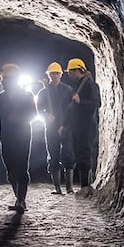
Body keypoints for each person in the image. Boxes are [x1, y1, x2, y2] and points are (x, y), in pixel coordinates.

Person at [0, 63, 38, 212]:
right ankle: (18, 199)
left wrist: (20, 118)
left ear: (12, 80)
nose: (1, 82)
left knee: (21, 167)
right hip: (6, 138)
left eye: (4, 79)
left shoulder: (27, 96)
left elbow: (34, 115)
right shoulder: (0, 98)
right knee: (10, 170)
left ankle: (21, 200)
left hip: (22, 137)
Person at [37, 61, 77, 194]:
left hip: (65, 127)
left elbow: (72, 109)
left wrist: (66, 123)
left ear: (60, 75)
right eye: (51, 73)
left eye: (56, 73)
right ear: (48, 75)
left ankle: (69, 188)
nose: (54, 76)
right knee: (53, 155)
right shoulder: (43, 92)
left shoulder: (68, 90)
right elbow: (39, 108)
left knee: (69, 154)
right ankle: (57, 188)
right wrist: (46, 115)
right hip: (51, 127)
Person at [63, 58, 101, 194]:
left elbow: (96, 104)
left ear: (78, 70)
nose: (69, 74)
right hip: (77, 126)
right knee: (79, 153)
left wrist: (81, 101)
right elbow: (71, 108)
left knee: (85, 153)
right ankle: (84, 187)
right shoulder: (78, 85)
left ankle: (86, 186)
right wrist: (65, 125)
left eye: (71, 72)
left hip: (86, 125)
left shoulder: (90, 85)